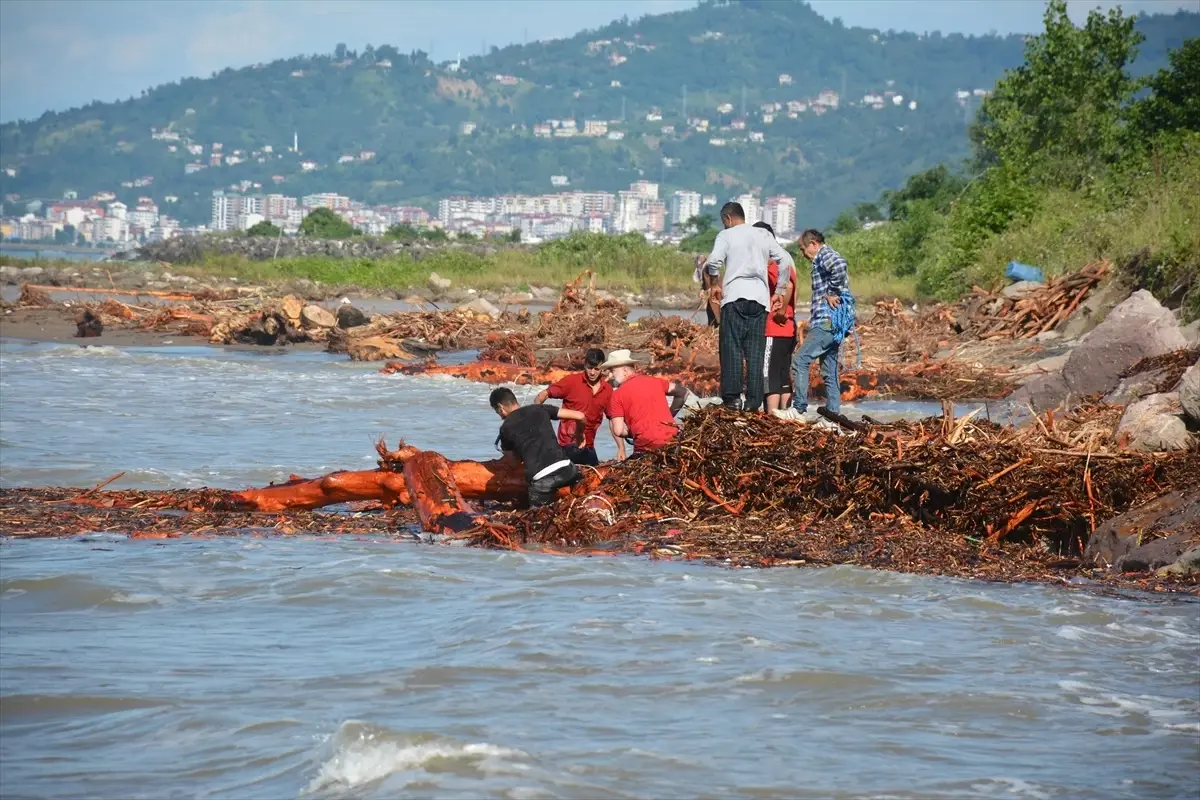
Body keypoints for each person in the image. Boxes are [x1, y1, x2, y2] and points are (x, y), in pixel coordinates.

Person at [704, 202, 796, 412]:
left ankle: (733, 399)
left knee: (732, 348)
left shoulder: (726, 236)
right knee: (755, 351)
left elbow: (714, 261)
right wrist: (780, 290)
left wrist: (715, 284)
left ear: (727, 219)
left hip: (734, 297)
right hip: (760, 300)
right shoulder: (763, 235)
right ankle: (753, 402)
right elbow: (784, 260)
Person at [774, 229, 852, 422]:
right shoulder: (820, 259)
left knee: (800, 360)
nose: (802, 253)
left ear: (814, 244)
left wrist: (832, 291)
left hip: (827, 321)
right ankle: (832, 419)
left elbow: (840, 265)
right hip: (833, 323)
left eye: (803, 248)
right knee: (829, 370)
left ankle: (798, 410)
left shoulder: (824, 255)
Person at [489, 387, 586, 507]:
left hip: (542, 480)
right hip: (567, 469)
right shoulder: (539, 408)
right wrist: (580, 434)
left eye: (497, 412)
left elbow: (514, 463)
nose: (500, 415)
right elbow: (580, 416)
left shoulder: (505, 428)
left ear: (500, 407)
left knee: (538, 521)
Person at [534, 347, 624, 466]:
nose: (592, 372)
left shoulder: (607, 390)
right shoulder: (571, 382)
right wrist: (533, 423)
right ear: (584, 365)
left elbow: (613, 420)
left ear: (602, 368)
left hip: (588, 447)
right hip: (566, 446)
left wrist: (621, 448)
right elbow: (543, 395)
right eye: (589, 368)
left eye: (597, 369)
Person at [599, 349, 689, 457]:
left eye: (613, 370)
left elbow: (618, 431)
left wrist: (633, 431)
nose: (611, 375)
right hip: (673, 440)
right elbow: (683, 393)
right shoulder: (655, 381)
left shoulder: (617, 395)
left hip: (646, 446)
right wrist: (670, 416)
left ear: (624, 370)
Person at [753, 221, 797, 414]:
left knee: (769, 374)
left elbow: (788, 288)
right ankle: (784, 413)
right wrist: (788, 312)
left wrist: (780, 312)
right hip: (789, 328)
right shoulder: (787, 263)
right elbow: (795, 291)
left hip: (774, 327)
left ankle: (771, 415)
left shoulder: (772, 264)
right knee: (783, 375)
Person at [693, 253, 720, 329]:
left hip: (714, 291)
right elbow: (705, 281)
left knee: (713, 310)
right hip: (712, 291)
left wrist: (710, 289)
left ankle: (714, 328)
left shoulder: (707, 267)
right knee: (710, 310)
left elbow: (714, 278)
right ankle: (712, 328)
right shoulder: (704, 268)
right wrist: (702, 289)